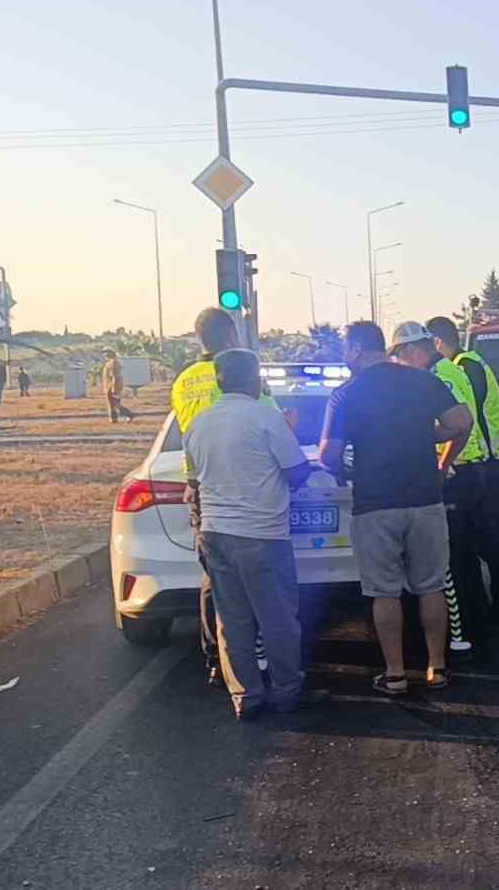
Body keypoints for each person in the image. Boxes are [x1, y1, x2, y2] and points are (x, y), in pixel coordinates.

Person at [319, 322, 472, 695]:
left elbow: (328, 454)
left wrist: (341, 474)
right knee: (431, 586)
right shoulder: (421, 381)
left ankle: (396, 674)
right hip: (424, 500)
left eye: (345, 350)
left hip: (375, 505)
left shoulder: (346, 394)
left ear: (356, 349)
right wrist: (440, 460)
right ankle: (437, 666)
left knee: (385, 593)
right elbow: (461, 422)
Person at [184, 349, 322, 721]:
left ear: (219, 380)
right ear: (254, 379)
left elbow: (195, 480)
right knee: (277, 618)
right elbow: (296, 472)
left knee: (232, 620)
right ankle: (287, 693)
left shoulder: (198, 423)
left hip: (215, 533)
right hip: (263, 534)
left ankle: (245, 696)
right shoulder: (267, 418)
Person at [172, 308, 280, 683]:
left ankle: (219, 661)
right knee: (261, 579)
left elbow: (186, 435)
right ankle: (269, 662)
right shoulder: (241, 375)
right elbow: (273, 424)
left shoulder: (183, 381)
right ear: (233, 335)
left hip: (204, 489)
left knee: (216, 579)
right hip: (252, 489)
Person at [426, 316, 499, 627]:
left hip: (490, 462)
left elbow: (468, 419)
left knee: (489, 538)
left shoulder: (463, 367)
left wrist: (458, 459)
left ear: (437, 342)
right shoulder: (471, 364)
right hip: (492, 459)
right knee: (487, 536)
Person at [102, 350, 136, 423]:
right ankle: (113, 420)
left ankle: (129, 414)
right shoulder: (113, 362)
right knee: (113, 405)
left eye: (106, 354)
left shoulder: (112, 363)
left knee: (114, 404)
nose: (105, 356)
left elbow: (115, 376)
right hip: (111, 386)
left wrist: (114, 389)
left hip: (112, 387)